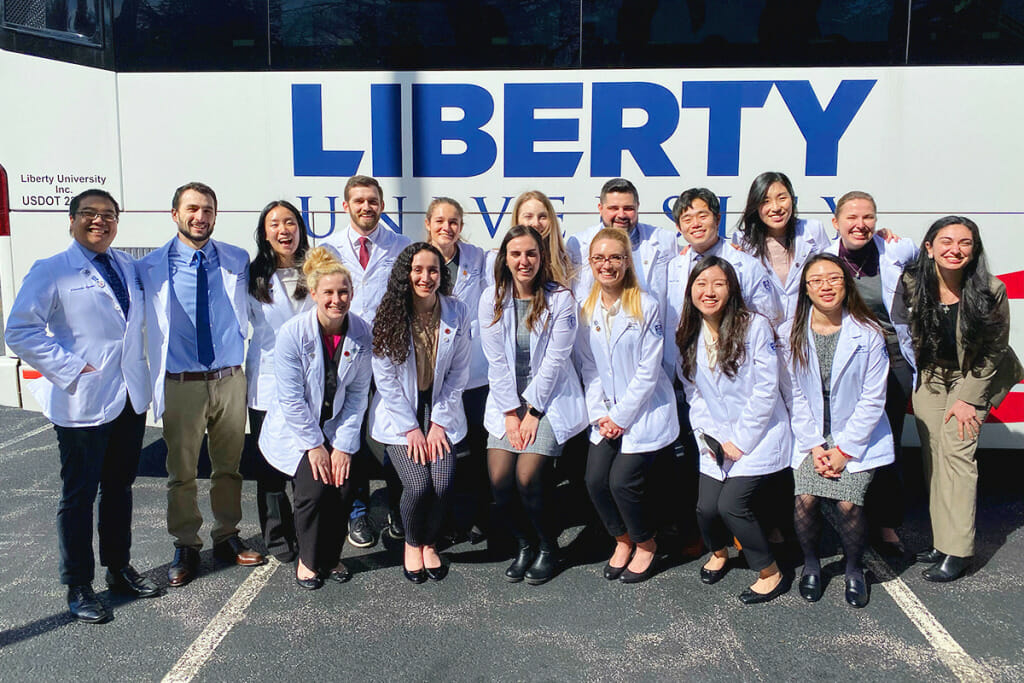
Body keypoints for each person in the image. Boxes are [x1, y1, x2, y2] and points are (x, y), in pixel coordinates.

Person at [5, 189, 158, 623]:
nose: (100, 222)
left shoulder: (127, 266)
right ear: (71, 221)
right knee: (79, 495)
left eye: (108, 215)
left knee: (120, 488)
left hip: (129, 397)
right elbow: (19, 331)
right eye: (89, 214)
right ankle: (78, 584)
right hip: (82, 400)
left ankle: (118, 568)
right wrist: (71, 368)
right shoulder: (51, 270)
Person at [138, 181, 265, 588]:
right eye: (192, 209)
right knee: (182, 472)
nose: (200, 216)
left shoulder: (236, 258)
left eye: (208, 209)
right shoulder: (151, 266)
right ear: (174, 215)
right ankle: (187, 545)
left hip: (229, 379)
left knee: (228, 468)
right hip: (182, 383)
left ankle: (227, 535)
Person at [901, 216, 1023, 582]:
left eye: (964, 243)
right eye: (946, 241)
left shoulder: (990, 289)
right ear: (929, 247)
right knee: (934, 458)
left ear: (974, 249)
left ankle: (959, 550)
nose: (955, 249)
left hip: (973, 377)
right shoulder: (912, 282)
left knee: (957, 455)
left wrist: (969, 398)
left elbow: (994, 349)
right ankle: (942, 541)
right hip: (932, 378)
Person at [781, 253, 894, 608]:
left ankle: (853, 568)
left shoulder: (869, 332)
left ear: (846, 284)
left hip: (856, 435)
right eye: (816, 280)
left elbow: (873, 399)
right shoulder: (790, 332)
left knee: (848, 504)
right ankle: (812, 566)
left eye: (834, 278)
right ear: (805, 288)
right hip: (811, 433)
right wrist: (815, 444)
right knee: (806, 500)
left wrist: (844, 450)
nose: (825, 286)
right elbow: (793, 394)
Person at [677, 257, 790, 604]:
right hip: (716, 436)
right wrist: (707, 437)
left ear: (732, 289)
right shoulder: (688, 332)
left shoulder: (753, 326)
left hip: (760, 434)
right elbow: (694, 393)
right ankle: (719, 552)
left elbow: (766, 390)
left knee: (732, 506)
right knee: (705, 509)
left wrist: (740, 441)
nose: (709, 292)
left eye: (718, 284)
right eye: (701, 284)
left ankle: (770, 572)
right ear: (691, 290)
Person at [480, 225, 588, 585]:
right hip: (508, 405)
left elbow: (556, 361)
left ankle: (547, 547)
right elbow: (495, 362)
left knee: (527, 476)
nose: (523, 261)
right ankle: (524, 544)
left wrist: (533, 412)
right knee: (499, 480)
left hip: (549, 402)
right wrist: (511, 412)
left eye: (531, 253)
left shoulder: (560, 299)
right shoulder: (491, 298)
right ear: (505, 259)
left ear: (542, 258)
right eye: (516, 254)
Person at [258, 247, 372, 589]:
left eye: (343, 292)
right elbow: (291, 399)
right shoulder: (294, 333)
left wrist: (343, 445)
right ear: (314, 294)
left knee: (343, 486)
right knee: (311, 490)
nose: (336, 300)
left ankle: (331, 555)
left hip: (336, 426)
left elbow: (356, 395)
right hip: (300, 429)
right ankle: (308, 560)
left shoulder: (362, 333)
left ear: (351, 294)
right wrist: (315, 446)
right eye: (329, 293)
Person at [575, 228, 678, 583]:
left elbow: (649, 373)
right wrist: (601, 413)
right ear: (590, 263)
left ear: (627, 262)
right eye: (600, 258)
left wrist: (620, 416)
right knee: (594, 481)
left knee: (622, 482)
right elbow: (588, 367)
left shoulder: (646, 306)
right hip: (606, 414)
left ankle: (646, 543)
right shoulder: (585, 310)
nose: (607, 265)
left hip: (645, 412)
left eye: (615, 258)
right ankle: (621, 540)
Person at [369, 243, 471, 583]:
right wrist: (412, 430)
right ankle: (412, 543)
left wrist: (439, 422)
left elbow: (458, 372)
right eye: (418, 270)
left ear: (442, 275)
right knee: (417, 484)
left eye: (433, 270)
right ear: (405, 274)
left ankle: (430, 542)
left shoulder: (456, 311)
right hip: (401, 414)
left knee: (441, 483)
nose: (425, 277)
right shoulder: (389, 312)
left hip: (440, 408)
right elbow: (385, 380)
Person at [825, 191, 918, 556]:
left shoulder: (894, 250)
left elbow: (917, 250)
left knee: (887, 442)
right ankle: (848, 515)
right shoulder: (825, 256)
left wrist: (891, 236)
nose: (860, 225)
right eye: (851, 217)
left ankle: (886, 524)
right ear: (836, 223)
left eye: (868, 218)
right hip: (845, 357)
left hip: (891, 358)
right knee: (845, 437)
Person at [323, 175, 412, 549]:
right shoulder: (328, 249)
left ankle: (396, 506)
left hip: (390, 356)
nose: (366, 207)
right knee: (352, 435)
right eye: (358, 201)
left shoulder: (401, 246)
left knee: (395, 434)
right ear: (345, 206)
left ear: (381, 205)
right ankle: (357, 511)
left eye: (373, 201)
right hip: (346, 356)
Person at [246, 200, 314, 562]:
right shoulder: (252, 276)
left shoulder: (316, 270)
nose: (284, 230)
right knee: (269, 467)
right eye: (275, 224)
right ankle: (276, 537)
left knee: (306, 463)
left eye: (290, 222)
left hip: (310, 382)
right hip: (268, 382)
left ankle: (309, 534)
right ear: (265, 232)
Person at [425, 197, 489, 543]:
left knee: (473, 450)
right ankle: (440, 520)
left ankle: (472, 516)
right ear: (427, 224)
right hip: (433, 374)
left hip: (475, 370)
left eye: (453, 221)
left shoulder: (478, 257)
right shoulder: (420, 261)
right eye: (439, 221)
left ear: (461, 226)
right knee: (440, 449)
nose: (446, 227)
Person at [732, 171, 831, 321]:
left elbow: (832, 274)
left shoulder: (813, 230)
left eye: (782, 198)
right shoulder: (742, 241)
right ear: (755, 206)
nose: (776, 207)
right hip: (764, 332)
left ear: (792, 199)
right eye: (765, 201)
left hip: (807, 327)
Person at [566, 178, 675, 305]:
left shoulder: (664, 240)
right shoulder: (577, 244)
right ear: (600, 208)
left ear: (638, 207)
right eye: (613, 208)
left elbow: (675, 295)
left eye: (628, 208)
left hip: (649, 321)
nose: (621, 215)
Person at [510, 190, 576, 287]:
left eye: (542, 217)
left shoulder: (566, 263)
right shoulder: (500, 261)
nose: (536, 223)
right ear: (517, 220)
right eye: (528, 216)